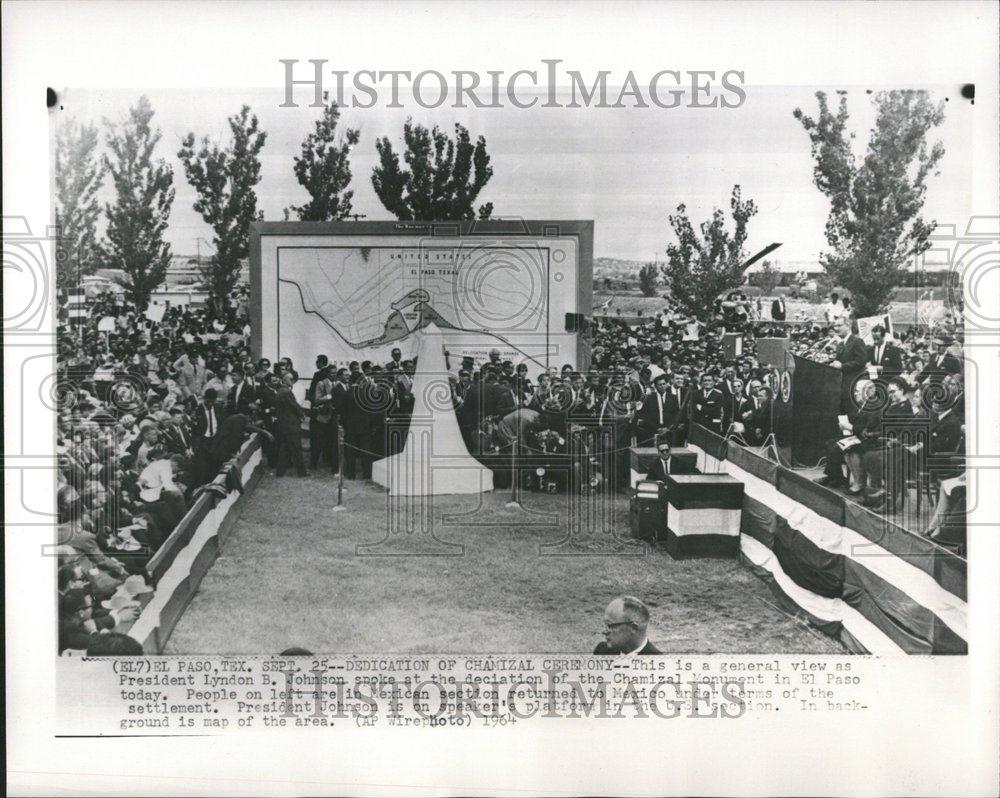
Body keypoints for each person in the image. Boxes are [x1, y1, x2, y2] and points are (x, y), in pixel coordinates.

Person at [593, 596, 662, 655]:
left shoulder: (658, 663)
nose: (604, 632)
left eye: (611, 626)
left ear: (633, 628)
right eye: (606, 625)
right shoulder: (602, 651)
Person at [830, 319, 868, 412]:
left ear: (847, 325)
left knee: (851, 414)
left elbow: (861, 361)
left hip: (852, 386)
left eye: (839, 326)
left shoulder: (857, 341)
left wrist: (842, 366)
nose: (836, 328)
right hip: (840, 386)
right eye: (835, 326)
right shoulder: (841, 344)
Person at [274, 372, 308, 477]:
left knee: (284, 449)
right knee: (297, 449)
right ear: (284, 380)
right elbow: (294, 406)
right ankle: (302, 473)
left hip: (284, 424)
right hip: (291, 424)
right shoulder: (286, 392)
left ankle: (280, 472)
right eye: (290, 379)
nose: (292, 381)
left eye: (292, 379)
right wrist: (302, 415)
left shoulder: (280, 391)